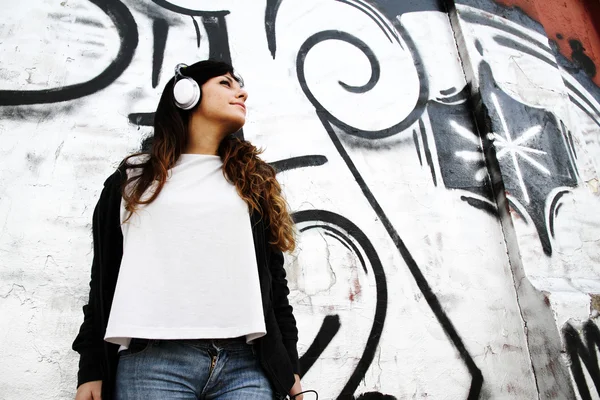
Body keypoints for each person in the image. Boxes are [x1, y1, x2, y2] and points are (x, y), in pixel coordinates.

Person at [72, 60, 304, 400]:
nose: (241, 92)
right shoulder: (132, 182)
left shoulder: (250, 182)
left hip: (247, 366)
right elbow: (103, 280)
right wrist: (91, 368)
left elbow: (274, 280)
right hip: (153, 365)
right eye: (225, 83)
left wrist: (289, 364)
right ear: (186, 93)